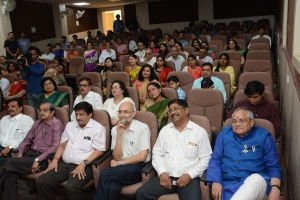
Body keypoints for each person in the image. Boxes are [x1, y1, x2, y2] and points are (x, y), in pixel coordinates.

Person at [136, 99, 212, 200]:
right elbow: (157, 153)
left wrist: (190, 175)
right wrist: (162, 172)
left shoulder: (199, 132)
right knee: (142, 193)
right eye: (170, 110)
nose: (172, 112)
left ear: (186, 110)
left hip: (189, 179)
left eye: (176, 109)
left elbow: (206, 159)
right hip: (167, 177)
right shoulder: (165, 131)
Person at [36, 102, 106, 200]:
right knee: (41, 181)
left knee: (71, 187)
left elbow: (99, 151)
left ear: (90, 114)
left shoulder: (98, 128)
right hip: (65, 163)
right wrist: (55, 160)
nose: (78, 118)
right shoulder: (70, 125)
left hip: (84, 165)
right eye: (76, 114)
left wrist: (84, 163)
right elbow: (62, 145)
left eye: (81, 115)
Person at [207, 107, 281, 200]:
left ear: (251, 122)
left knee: (255, 179)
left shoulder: (264, 136)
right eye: (234, 121)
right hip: (228, 186)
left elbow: (273, 165)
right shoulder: (224, 134)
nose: (237, 124)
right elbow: (215, 159)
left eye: (242, 121)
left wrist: (275, 188)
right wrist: (216, 181)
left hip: (256, 186)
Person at [0, 102, 64, 200]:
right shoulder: (37, 122)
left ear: (52, 112)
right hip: (30, 154)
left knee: (9, 162)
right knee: (10, 173)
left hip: (44, 158)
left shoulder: (57, 124)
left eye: (45, 110)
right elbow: (26, 140)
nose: (41, 112)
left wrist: (38, 159)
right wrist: (20, 153)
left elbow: (55, 147)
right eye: (40, 110)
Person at [94, 101, 151, 200]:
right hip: (121, 168)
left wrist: (120, 163)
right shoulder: (115, 130)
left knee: (105, 174)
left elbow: (142, 157)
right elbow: (116, 157)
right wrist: (119, 134)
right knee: (112, 187)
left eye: (126, 112)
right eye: (120, 112)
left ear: (133, 114)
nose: (122, 115)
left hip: (138, 166)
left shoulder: (143, 128)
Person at [0, 98, 34, 165]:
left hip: (13, 150)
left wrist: (9, 147)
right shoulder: (4, 118)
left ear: (20, 108)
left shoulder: (26, 120)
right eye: (8, 107)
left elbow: (25, 139)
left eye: (13, 106)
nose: (10, 109)